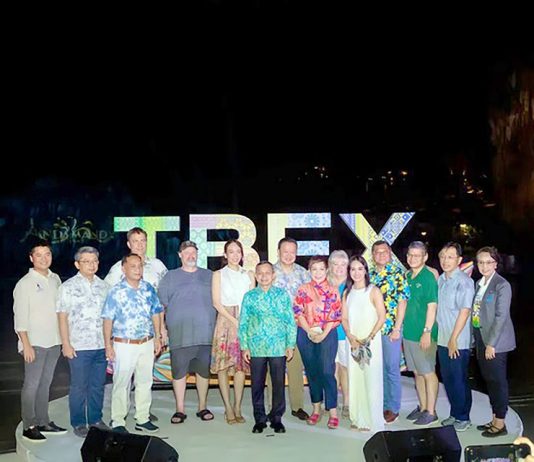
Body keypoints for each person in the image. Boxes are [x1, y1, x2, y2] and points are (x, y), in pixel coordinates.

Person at [105, 227, 167, 422]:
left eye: (143, 241)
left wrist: (160, 332)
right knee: (122, 381)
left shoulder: (156, 267)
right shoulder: (117, 272)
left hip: (147, 337)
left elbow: (159, 304)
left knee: (144, 380)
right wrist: (108, 342)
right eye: (135, 241)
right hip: (124, 340)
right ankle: (119, 418)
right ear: (128, 243)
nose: (140, 245)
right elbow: (108, 310)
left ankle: (142, 416)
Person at [13, 240, 67, 442]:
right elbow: (20, 317)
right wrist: (26, 344)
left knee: (45, 384)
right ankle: (29, 425)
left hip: (54, 341)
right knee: (32, 385)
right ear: (31, 258)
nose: (44, 258)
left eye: (47, 254)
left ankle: (43, 421)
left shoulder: (55, 279)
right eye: (39, 255)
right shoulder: (24, 284)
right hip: (34, 343)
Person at [158, 240, 216, 424]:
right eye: (187, 253)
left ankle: (202, 407)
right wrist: (162, 329)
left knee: (203, 372)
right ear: (180, 255)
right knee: (179, 373)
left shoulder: (209, 275)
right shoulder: (170, 277)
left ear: (197, 254)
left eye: (193, 252)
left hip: (205, 335)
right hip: (179, 335)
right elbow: (161, 306)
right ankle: (180, 409)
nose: (191, 256)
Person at [57, 246, 110, 438]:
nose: (91, 265)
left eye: (94, 261)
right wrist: (66, 343)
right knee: (79, 386)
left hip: (100, 345)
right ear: (77, 264)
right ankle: (79, 422)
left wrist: (109, 343)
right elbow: (62, 317)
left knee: (98, 385)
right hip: (78, 346)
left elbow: (108, 317)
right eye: (86, 261)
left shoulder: (104, 287)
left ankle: (95, 419)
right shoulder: (67, 287)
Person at [239, 261, 297, 434]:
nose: (264, 276)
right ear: (256, 276)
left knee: (278, 384)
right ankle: (259, 419)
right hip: (256, 347)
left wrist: (290, 345)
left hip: (278, 346)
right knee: (257, 384)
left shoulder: (282, 295)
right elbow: (243, 322)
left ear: (273, 275)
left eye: (267, 273)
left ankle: (276, 418)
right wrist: (244, 346)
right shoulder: (249, 297)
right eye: (260, 273)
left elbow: (290, 321)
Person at [294, 255, 342, 429]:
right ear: (309, 271)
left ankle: (333, 411)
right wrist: (309, 331)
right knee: (312, 371)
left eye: (321, 269)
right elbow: (298, 311)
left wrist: (322, 335)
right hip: (305, 333)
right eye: (314, 269)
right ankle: (316, 409)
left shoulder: (333, 290)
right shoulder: (303, 289)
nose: (318, 272)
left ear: (327, 270)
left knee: (327, 371)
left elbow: (335, 315)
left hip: (327, 333)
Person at [472, 246, 515, 437]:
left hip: (495, 342)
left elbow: (500, 316)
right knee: (489, 380)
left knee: (498, 381)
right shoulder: (479, 283)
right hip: (481, 338)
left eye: (488, 262)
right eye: (480, 262)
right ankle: (495, 418)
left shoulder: (501, 285)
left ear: (496, 264)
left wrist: (491, 344)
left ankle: (501, 423)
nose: (484, 266)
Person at [211, 239, 255, 424]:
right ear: (225, 254)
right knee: (222, 366)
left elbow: (252, 302)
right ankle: (227, 407)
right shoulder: (218, 274)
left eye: (238, 251)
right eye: (231, 251)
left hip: (245, 320)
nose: (235, 255)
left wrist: (244, 322)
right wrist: (234, 320)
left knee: (240, 367)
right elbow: (216, 303)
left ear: (242, 254)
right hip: (225, 320)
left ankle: (237, 406)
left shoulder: (249, 274)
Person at [342, 255, 386, 432]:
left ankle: (371, 419)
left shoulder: (373, 291)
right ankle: (357, 417)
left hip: (370, 343)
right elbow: (344, 318)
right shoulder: (347, 293)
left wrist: (370, 337)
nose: (356, 272)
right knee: (355, 379)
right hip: (353, 342)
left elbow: (381, 316)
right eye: (353, 269)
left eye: (360, 269)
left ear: (366, 271)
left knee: (371, 379)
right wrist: (350, 336)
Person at [270, 237, 311, 421]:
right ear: (278, 252)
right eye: (285, 251)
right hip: (274, 329)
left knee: (295, 367)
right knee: (274, 369)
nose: (288, 255)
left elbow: (310, 300)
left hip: (297, 328)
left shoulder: (303, 274)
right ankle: (274, 408)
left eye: (292, 252)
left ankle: (297, 406)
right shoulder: (269, 272)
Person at [369, 240, 410, 424]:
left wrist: (397, 328)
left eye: (384, 251)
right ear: (373, 255)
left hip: (390, 330)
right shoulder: (369, 274)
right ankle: (382, 403)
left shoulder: (397, 273)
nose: (381, 255)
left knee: (392, 369)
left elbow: (402, 301)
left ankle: (393, 408)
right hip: (373, 331)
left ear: (390, 253)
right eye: (377, 252)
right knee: (379, 369)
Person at [437, 242, 475, 432]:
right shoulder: (441, 279)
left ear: (459, 260)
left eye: (450, 257)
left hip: (457, 340)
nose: (445, 260)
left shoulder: (464, 282)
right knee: (448, 378)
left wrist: (453, 339)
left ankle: (463, 417)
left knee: (459, 379)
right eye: (443, 256)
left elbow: (464, 311)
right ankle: (455, 413)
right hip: (442, 338)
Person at [402, 241, 439, 426]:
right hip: (408, 333)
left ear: (425, 257)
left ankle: (431, 411)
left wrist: (427, 331)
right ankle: (423, 407)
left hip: (423, 334)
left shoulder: (428, 277)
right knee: (417, 372)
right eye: (410, 254)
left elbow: (432, 306)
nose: (412, 258)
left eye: (417, 255)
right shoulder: (408, 276)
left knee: (428, 372)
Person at [327, 250, 350, 418]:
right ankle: (332, 402)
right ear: (330, 266)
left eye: (343, 264)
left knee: (344, 367)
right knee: (331, 368)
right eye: (336, 264)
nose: (339, 268)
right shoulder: (324, 283)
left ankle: (347, 402)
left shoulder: (352, 284)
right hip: (328, 334)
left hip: (345, 334)